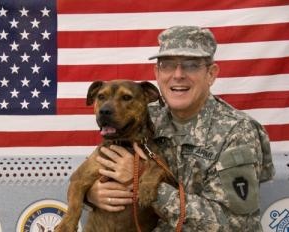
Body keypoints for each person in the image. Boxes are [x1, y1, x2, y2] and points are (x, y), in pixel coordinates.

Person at [86, 26, 275, 231]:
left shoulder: (236, 131)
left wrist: (142, 182)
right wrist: (92, 194)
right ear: (157, 74)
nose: (178, 75)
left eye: (191, 65)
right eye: (167, 65)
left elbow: (235, 224)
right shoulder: (142, 117)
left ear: (211, 74)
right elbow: (98, 170)